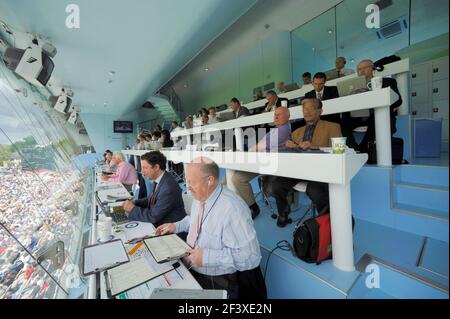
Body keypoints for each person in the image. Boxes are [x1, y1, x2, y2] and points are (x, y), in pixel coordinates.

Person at [155, 157, 266, 299]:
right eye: (187, 180)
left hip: (217, 279)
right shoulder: (200, 197)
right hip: (191, 265)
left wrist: (208, 257)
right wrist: (176, 226)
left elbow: (252, 257)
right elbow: (194, 220)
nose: (187, 187)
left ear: (210, 180)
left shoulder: (233, 209)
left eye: (191, 182)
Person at [270, 99, 342, 227]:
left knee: (315, 191)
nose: (307, 112)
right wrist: (290, 147)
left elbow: (338, 151)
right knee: (276, 184)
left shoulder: (333, 127)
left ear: (320, 111)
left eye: (311, 108)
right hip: (299, 170)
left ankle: (328, 223)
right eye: (304, 109)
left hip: (321, 170)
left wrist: (314, 146)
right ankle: (283, 213)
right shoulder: (297, 132)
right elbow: (290, 154)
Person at [230, 107, 291, 219]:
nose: (276, 117)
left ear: (288, 117)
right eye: (275, 115)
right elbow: (261, 144)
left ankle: (253, 207)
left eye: (280, 115)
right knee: (230, 176)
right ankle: (240, 206)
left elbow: (260, 145)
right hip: (261, 159)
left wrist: (248, 153)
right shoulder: (275, 130)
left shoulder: (284, 130)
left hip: (269, 163)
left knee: (236, 178)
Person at [123, 151, 186, 228]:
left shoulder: (168, 188)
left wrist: (132, 209)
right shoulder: (161, 179)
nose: (142, 172)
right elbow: (151, 199)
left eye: (145, 168)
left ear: (156, 167)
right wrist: (135, 202)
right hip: (159, 222)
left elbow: (153, 216)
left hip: (169, 229)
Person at [354, 59, 402, 153]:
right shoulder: (354, 87)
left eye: (365, 68)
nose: (362, 71)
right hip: (360, 116)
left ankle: (363, 148)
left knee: (376, 117)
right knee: (340, 123)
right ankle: (354, 148)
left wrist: (381, 96)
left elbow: (398, 101)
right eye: (359, 69)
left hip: (380, 115)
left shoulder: (388, 81)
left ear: (373, 69)